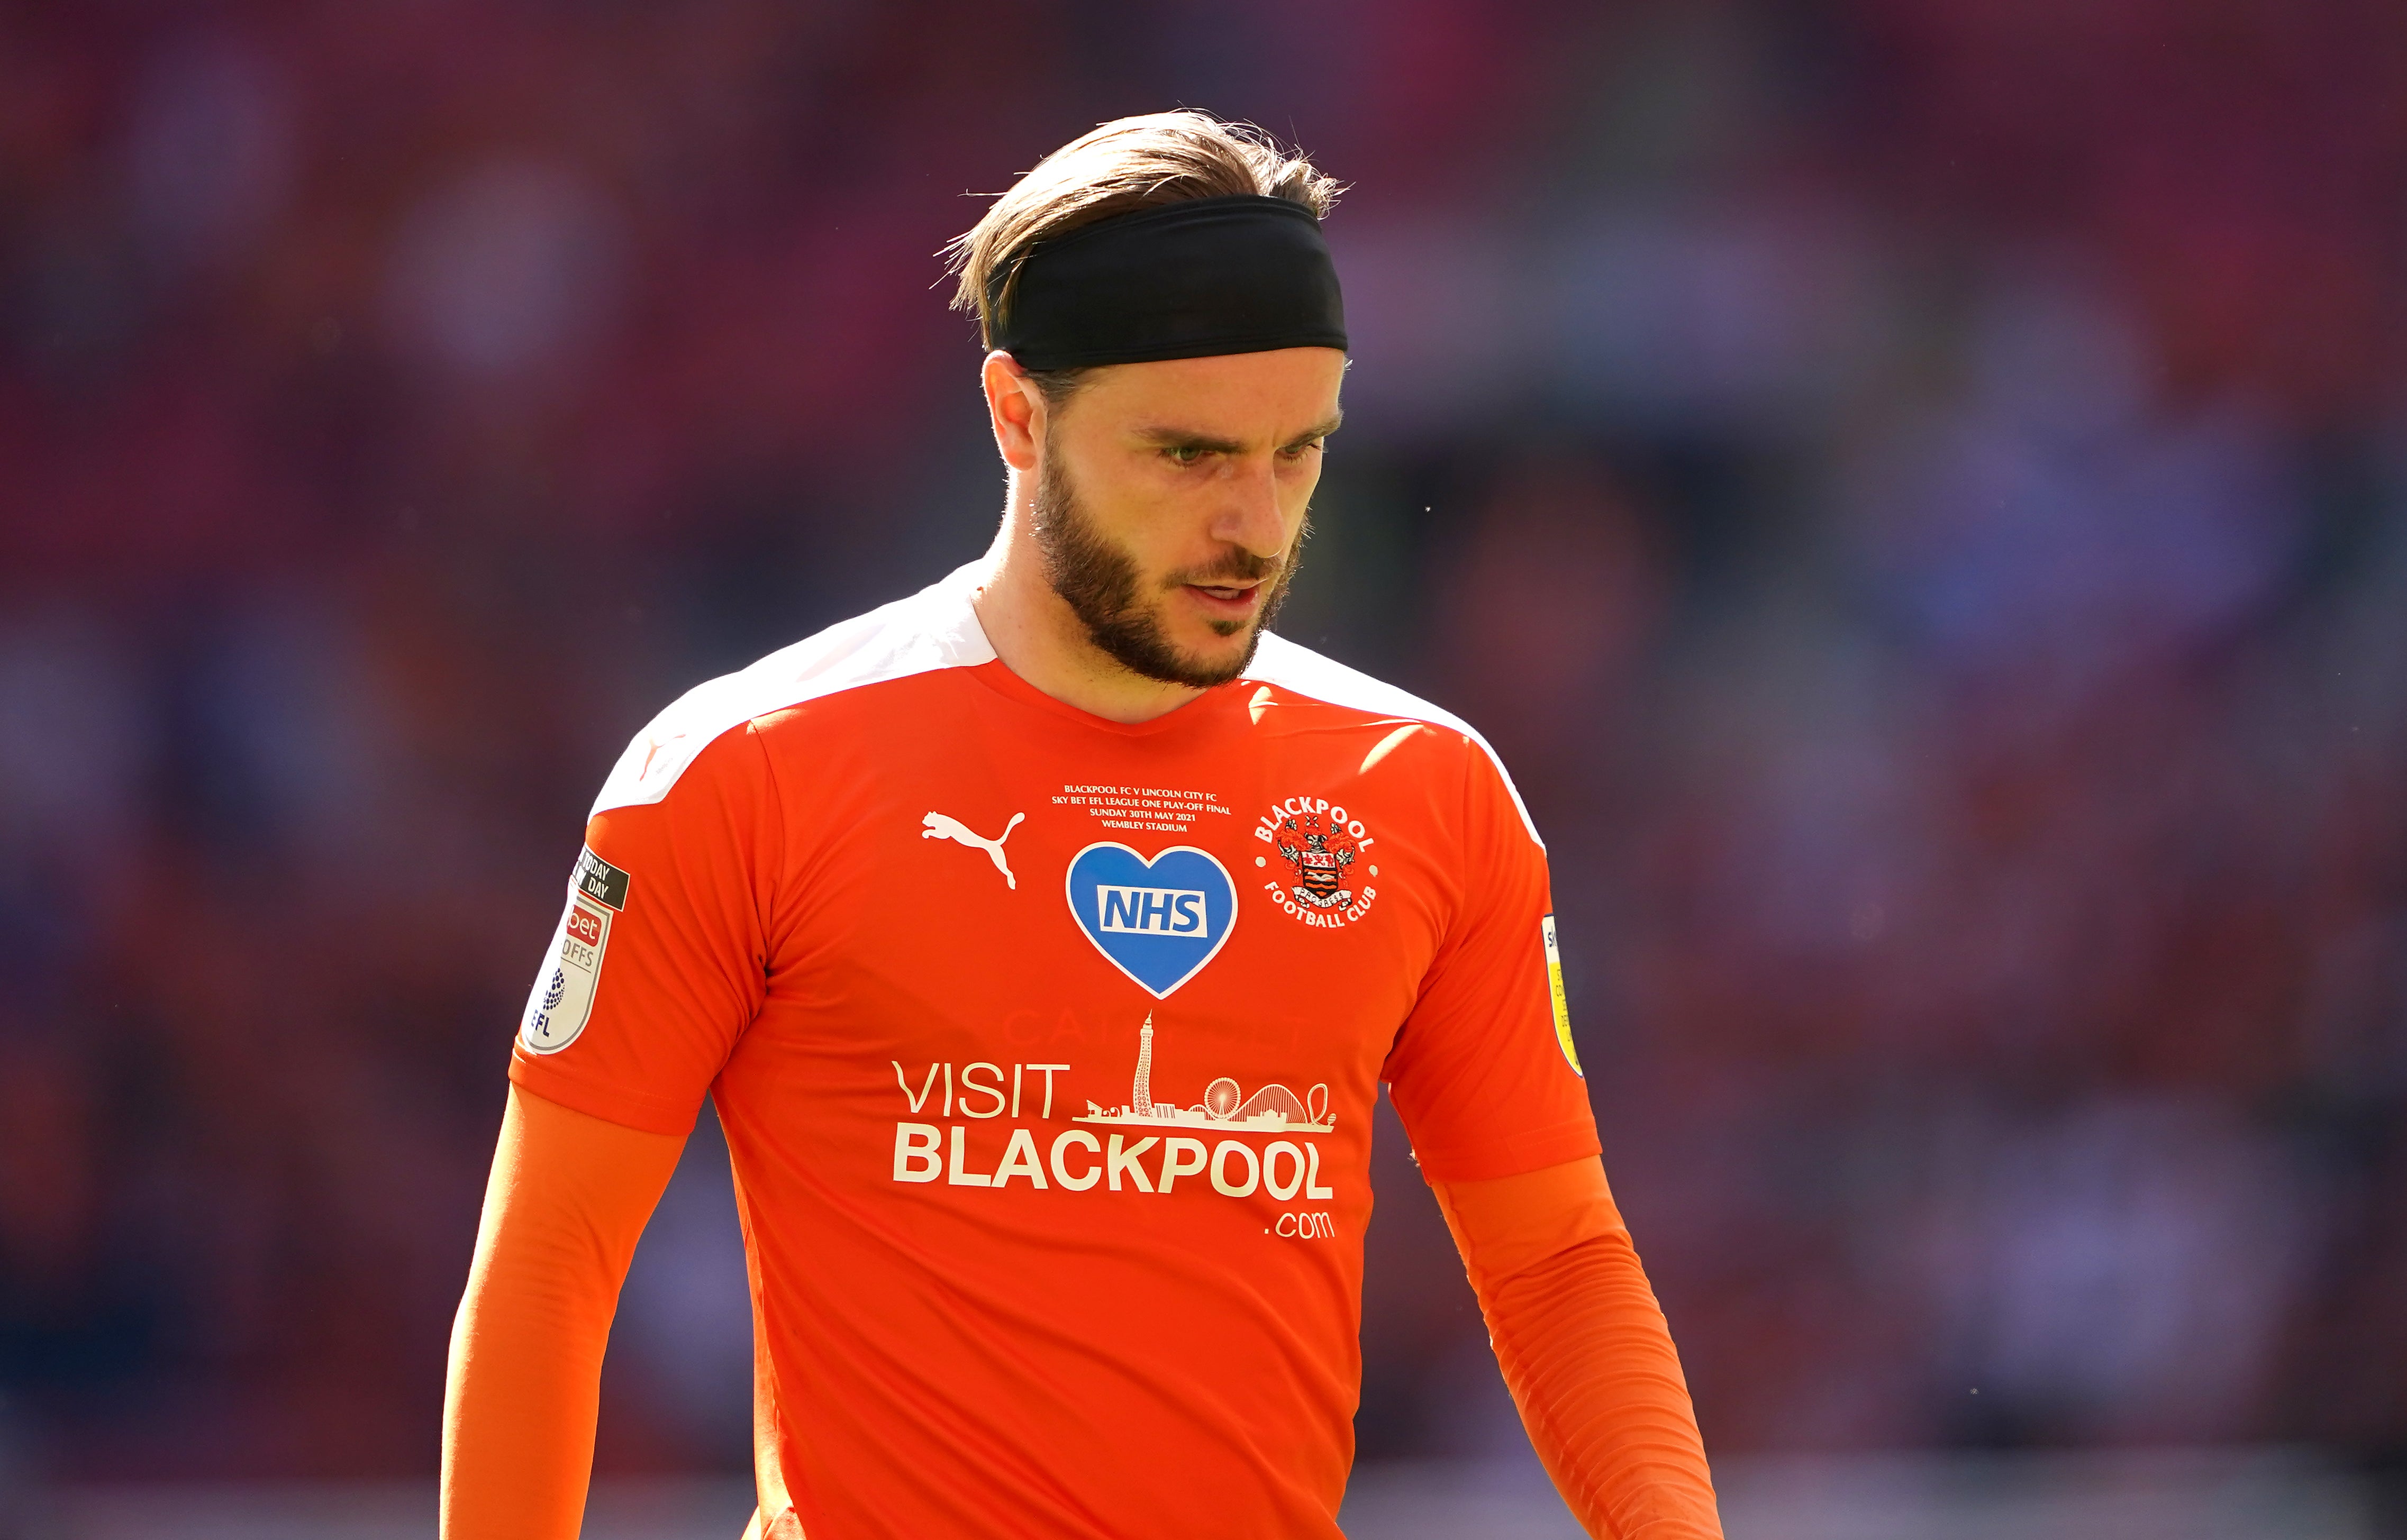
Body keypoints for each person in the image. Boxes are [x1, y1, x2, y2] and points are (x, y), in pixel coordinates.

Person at [441, 111, 1721, 1540]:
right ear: (1016, 417)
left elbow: (1553, 1261)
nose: (1253, 523)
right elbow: (551, 1263)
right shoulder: (740, 771)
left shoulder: (1428, 792)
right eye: (1184, 456)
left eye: (1296, 454)